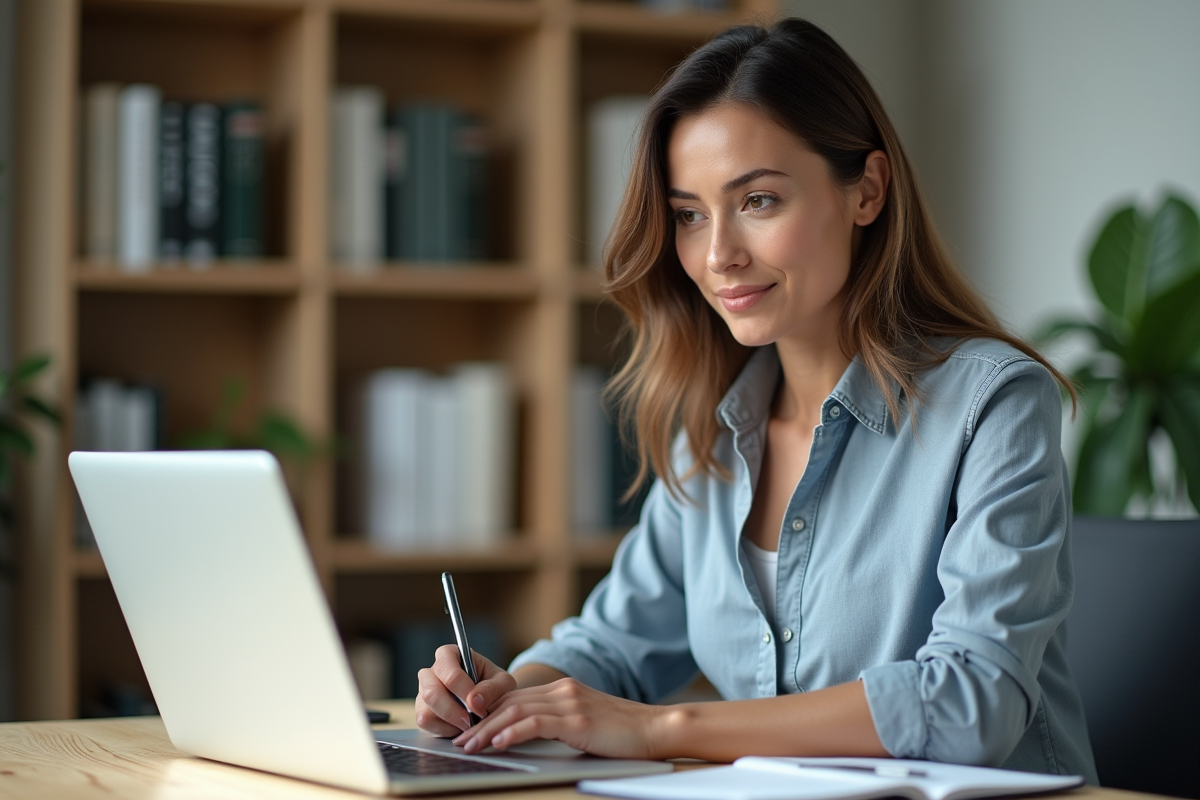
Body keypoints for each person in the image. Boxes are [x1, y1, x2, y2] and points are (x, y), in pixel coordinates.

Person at [415, 19, 1098, 780]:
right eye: (689, 215)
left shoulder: (991, 405)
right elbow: (612, 648)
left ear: (866, 191)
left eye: (760, 201)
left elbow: (973, 703)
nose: (718, 256)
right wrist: (508, 694)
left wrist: (659, 729)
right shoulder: (710, 435)